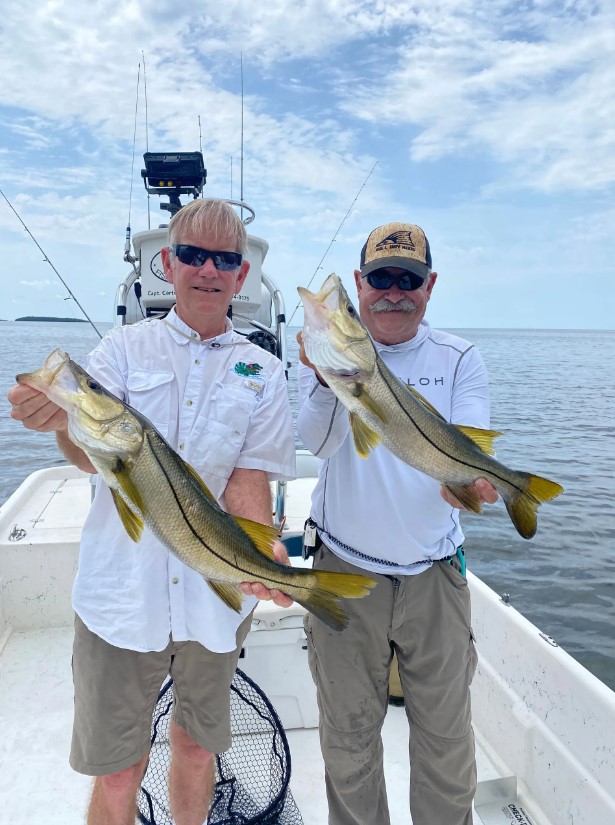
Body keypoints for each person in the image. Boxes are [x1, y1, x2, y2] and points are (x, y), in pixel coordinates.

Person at [8, 198, 296, 825]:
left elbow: (248, 482)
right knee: (117, 773)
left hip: (211, 594)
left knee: (196, 751)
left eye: (225, 259)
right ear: (168, 263)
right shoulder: (121, 351)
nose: (207, 270)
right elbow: (90, 457)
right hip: (121, 593)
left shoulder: (264, 372)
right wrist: (61, 419)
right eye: (192, 254)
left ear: (241, 275)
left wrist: (264, 552)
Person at [296, 221, 499, 825]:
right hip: (344, 568)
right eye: (379, 278)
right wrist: (326, 380)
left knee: (445, 737)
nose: (393, 291)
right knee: (349, 734)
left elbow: (462, 457)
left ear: (429, 286)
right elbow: (318, 443)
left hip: (434, 574)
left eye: (407, 279)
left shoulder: (460, 358)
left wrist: (473, 485)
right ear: (360, 284)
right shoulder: (330, 364)